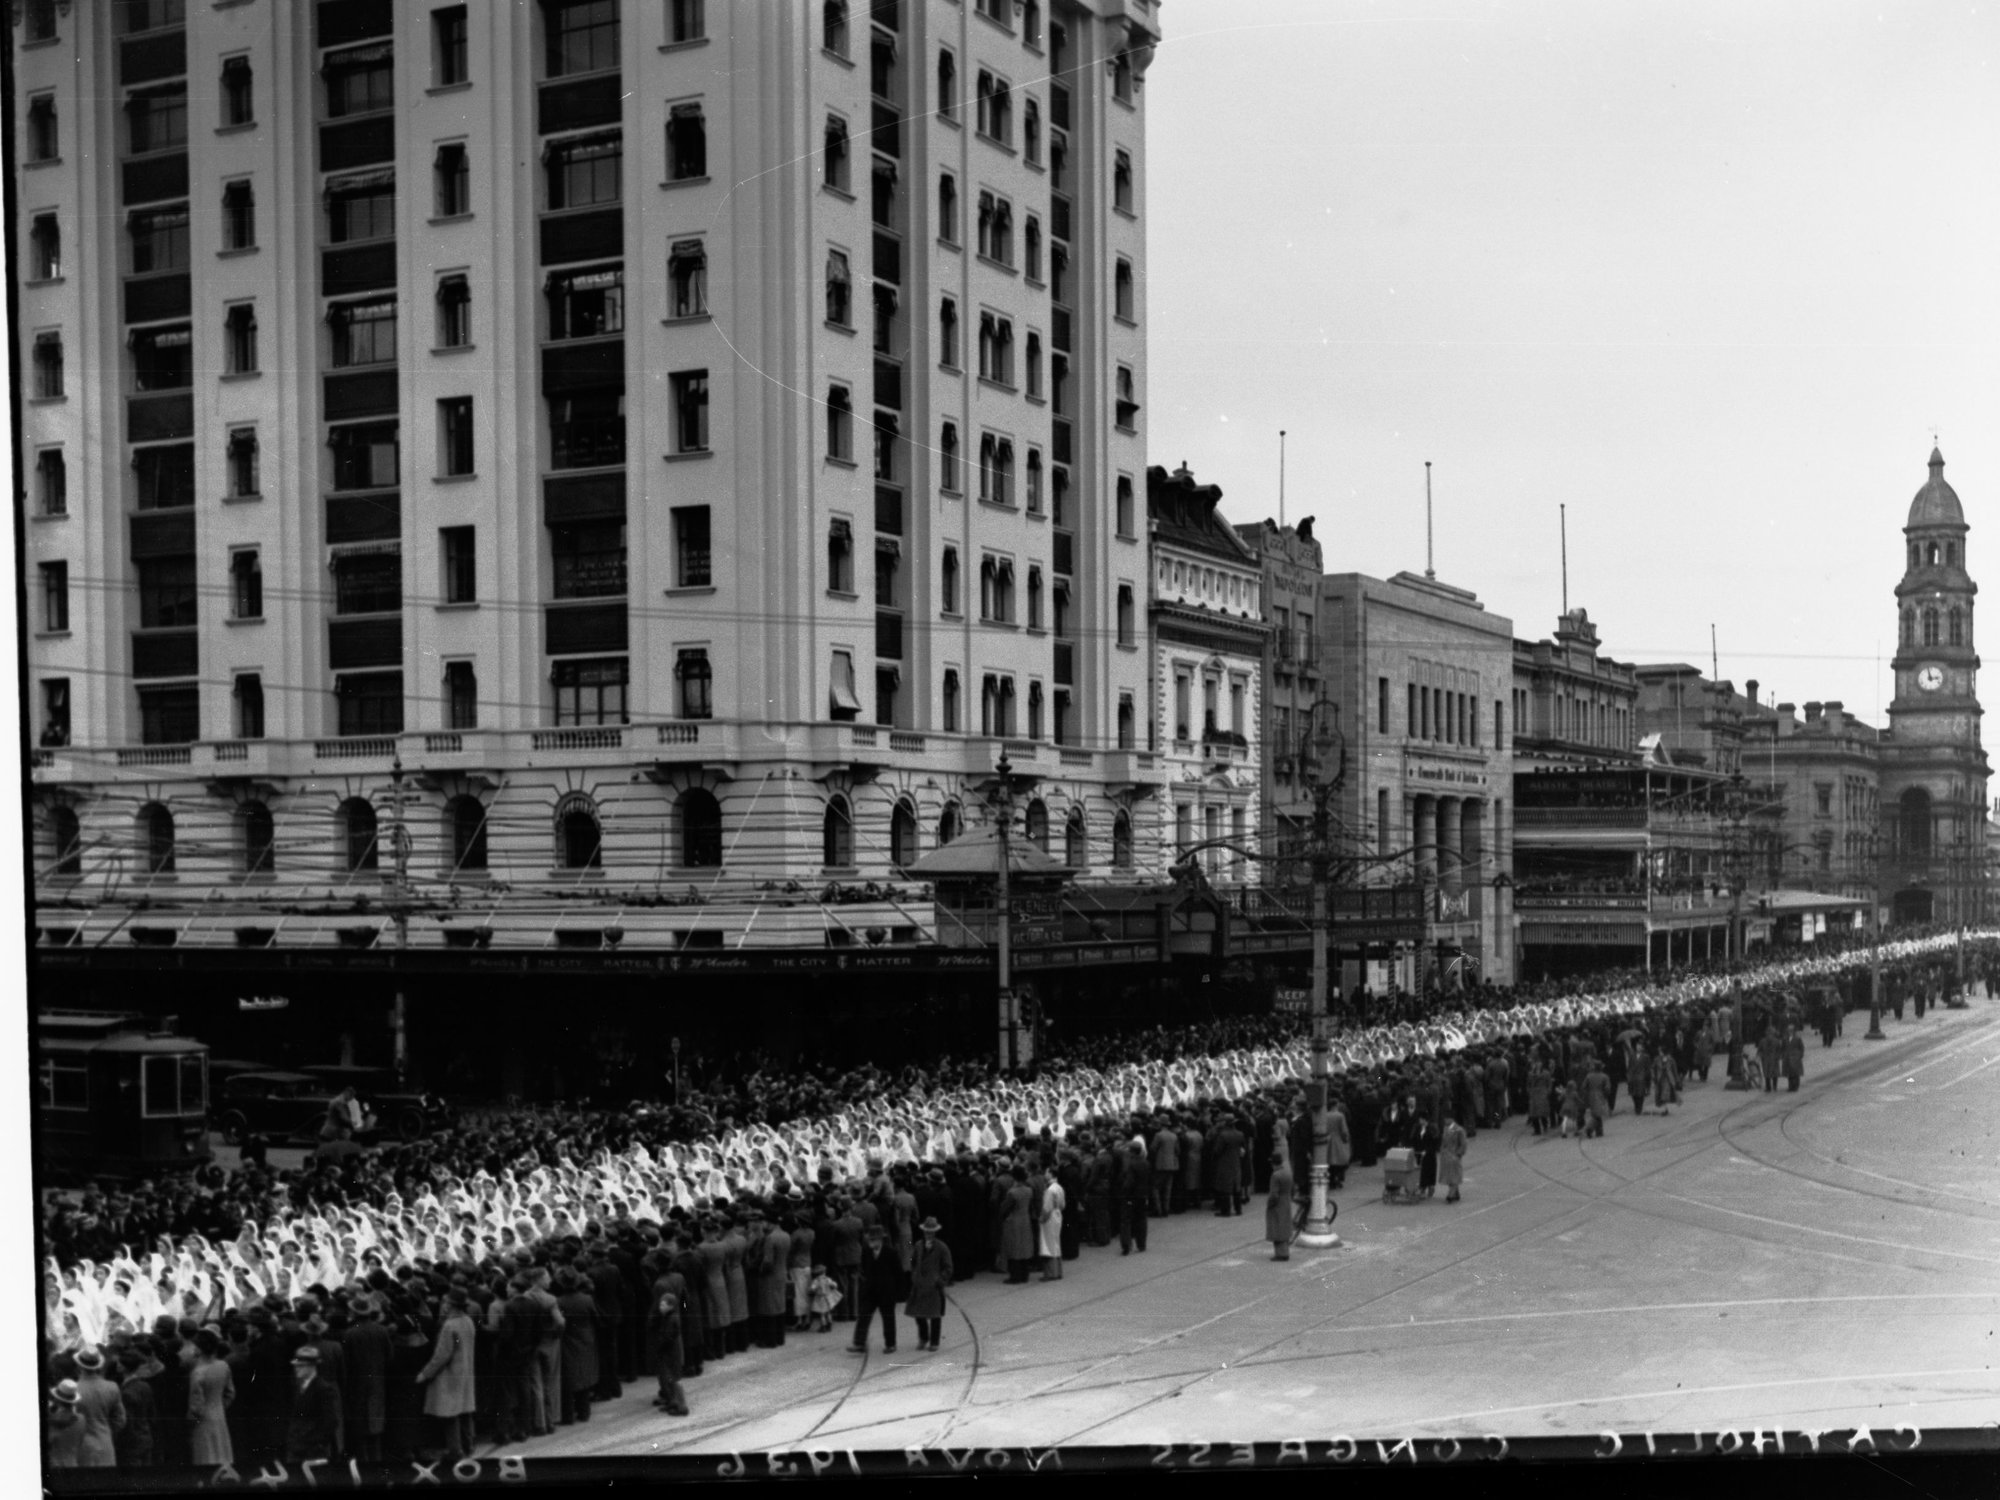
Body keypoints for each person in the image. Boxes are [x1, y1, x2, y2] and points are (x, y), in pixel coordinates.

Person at [416, 1289, 477, 1460]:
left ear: (451, 1305)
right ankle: (468, 1445)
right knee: (465, 1411)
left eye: (445, 1303)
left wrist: (425, 1374)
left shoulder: (449, 1326)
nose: (443, 1305)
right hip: (465, 1371)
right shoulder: (467, 1321)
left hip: (450, 1375)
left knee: (451, 1414)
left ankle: (455, 1450)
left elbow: (442, 1355)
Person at [340, 1296, 392, 1462]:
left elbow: (345, 1364)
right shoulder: (381, 1330)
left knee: (360, 1428)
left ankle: (364, 1465)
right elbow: (390, 1357)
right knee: (376, 1424)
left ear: (354, 1313)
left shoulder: (350, 1334)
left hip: (357, 1385)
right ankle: (376, 1461)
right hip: (377, 1382)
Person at [554, 1268, 598, 1425]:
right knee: (584, 1374)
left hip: (567, 1339)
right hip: (585, 1338)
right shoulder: (587, 1299)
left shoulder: (559, 1301)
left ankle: (567, 1414)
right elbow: (596, 1317)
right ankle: (584, 1411)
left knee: (568, 1377)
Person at [848, 1224, 901, 1355]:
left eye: (873, 1240)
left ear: (880, 1240)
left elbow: (898, 1273)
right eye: (869, 1240)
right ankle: (859, 1343)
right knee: (863, 1316)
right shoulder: (866, 1252)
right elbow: (865, 1269)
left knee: (888, 1318)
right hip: (870, 1291)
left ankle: (890, 1344)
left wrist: (898, 1293)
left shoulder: (891, 1253)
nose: (870, 1242)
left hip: (886, 1292)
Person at [284, 1347, 342, 1464]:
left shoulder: (323, 1389)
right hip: (296, 1449)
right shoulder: (297, 1387)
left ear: (312, 1366)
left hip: (313, 1453)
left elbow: (331, 1422)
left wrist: (315, 1443)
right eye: (296, 1365)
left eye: (301, 1366)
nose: (296, 1369)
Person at [905, 1218, 954, 1351]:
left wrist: (941, 1280)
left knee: (934, 1315)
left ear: (935, 1233)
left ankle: (934, 1341)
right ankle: (923, 1337)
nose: (928, 1234)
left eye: (931, 1232)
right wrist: (914, 1275)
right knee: (918, 1314)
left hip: (934, 1287)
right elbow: (913, 1260)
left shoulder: (942, 1248)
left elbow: (948, 1267)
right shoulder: (918, 1245)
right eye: (927, 1232)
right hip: (920, 1286)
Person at [73, 1347, 126, 1468]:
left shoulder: (74, 1390)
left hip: (80, 1446)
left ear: (79, 1366)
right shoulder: (112, 1387)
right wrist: (107, 1431)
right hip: (105, 1442)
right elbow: (120, 1420)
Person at [999, 1169, 1035, 1284]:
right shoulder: (1029, 1190)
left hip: (1013, 1221)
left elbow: (1004, 1209)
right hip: (1025, 1220)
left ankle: (1015, 1276)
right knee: (1024, 1248)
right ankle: (1024, 1274)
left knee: (1013, 1249)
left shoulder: (1012, 1192)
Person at [1038, 1169, 1066, 1282]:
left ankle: (1050, 1273)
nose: (1045, 1174)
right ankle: (1057, 1271)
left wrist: (1042, 1218)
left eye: (1046, 1172)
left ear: (1051, 1174)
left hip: (1050, 1217)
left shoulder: (1050, 1190)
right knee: (1055, 1243)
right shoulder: (1059, 1187)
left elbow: (1046, 1208)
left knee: (1048, 1245)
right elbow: (1063, 1204)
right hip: (1058, 1214)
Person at [1265, 1153, 1294, 1261]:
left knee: (1277, 1228)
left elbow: (1274, 1194)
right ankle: (1285, 1251)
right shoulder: (1288, 1172)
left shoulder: (1275, 1175)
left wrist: (1269, 1204)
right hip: (1286, 1201)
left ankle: (1280, 1253)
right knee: (1284, 1227)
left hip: (1277, 1204)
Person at [1439, 1116, 1467, 1205]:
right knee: (1449, 1176)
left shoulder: (1459, 1130)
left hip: (1454, 1156)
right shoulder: (1445, 1129)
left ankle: (1450, 1194)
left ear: (1451, 1119)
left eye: (1446, 1118)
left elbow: (1463, 1143)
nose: (1444, 1120)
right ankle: (1455, 1192)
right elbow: (1443, 1142)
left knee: (1454, 1176)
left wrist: (1458, 1154)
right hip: (1446, 1157)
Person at [1783, 1028, 1805, 1093]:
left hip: (1796, 1058)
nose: (1790, 1032)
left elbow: (1802, 1047)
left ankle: (1796, 1086)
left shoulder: (1798, 1039)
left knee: (1796, 1073)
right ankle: (1790, 1086)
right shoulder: (1785, 1039)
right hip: (1788, 1058)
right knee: (1789, 1073)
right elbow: (1783, 1047)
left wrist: (1800, 1055)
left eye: (1791, 1031)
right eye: (1788, 1031)